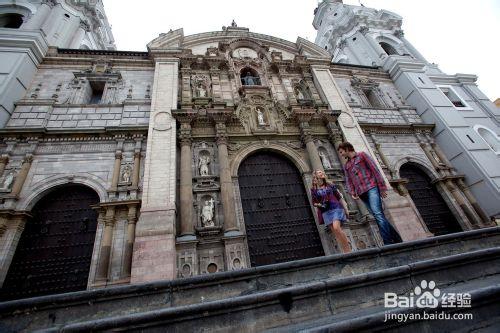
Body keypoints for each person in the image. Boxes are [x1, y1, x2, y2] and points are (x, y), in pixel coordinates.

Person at [338, 141, 402, 245]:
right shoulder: (347, 165)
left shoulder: (362, 155)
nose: (341, 154)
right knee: (378, 216)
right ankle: (397, 239)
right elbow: (348, 180)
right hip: (361, 192)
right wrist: (352, 192)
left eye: (341, 152)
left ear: (346, 149)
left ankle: (387, 243)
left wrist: (381, 187)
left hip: (372, 187)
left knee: (377, 214)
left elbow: (375, 169)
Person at [311, 169, 351, 253]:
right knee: (335, 233)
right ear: (315, 175)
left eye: (322, 171)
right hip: (325, 211)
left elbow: (339, 197)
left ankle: (348, 250)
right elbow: (314, 202)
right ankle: (344, 251)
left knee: (337, 227)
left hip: (336, 207)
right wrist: (320, 204)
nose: (321, 173)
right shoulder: (314, 189)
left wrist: (346, 209)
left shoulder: (330, 184)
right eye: (319, 172)